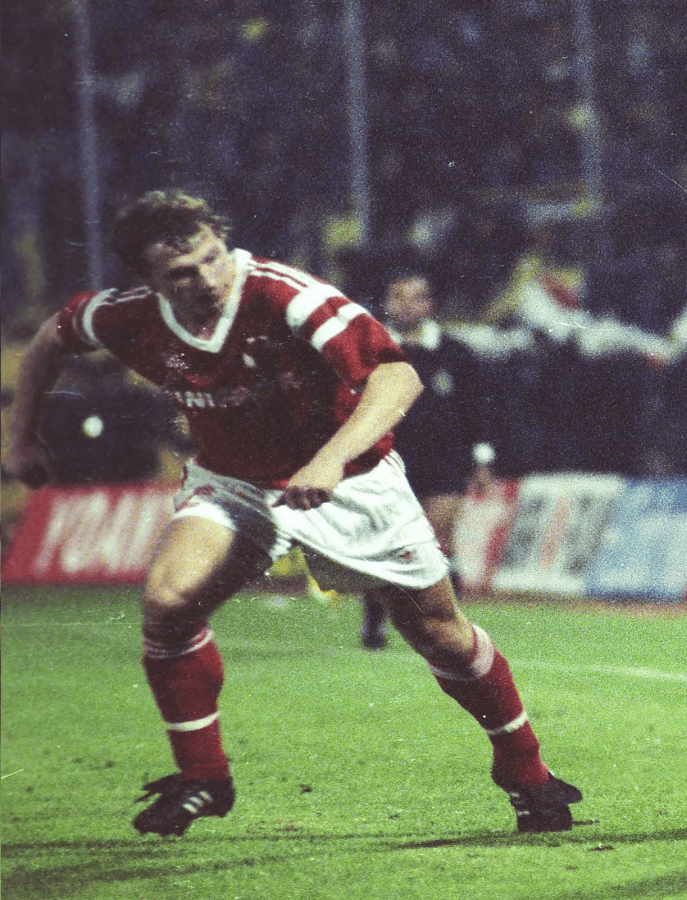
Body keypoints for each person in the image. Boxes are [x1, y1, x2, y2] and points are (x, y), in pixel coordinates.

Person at [2, 191, 582, 836]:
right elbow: (49, 341)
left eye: (212, 258)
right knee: (167, 602)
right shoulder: (124, 316)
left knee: (439, 633)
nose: (207, 280)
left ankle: (526, 771)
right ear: (148, 280)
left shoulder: (283, 294)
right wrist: (21, 437)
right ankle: (204, 777)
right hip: (234, 484)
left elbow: (398, 378)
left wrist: (331, 459)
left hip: (352, 481)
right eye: (182, 274)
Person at [357, 272, 495, 649]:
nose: (406, 305)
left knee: (433, 539)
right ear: (387, 303)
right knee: (386, 542)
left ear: (429, 304)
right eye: (397, 297)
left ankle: (445, 622)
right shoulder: (372, 350)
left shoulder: (455, 353)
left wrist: (483, 459)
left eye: (415, 297)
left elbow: (477, 409)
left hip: (446, 459)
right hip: (387, 458)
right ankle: (375, 619)